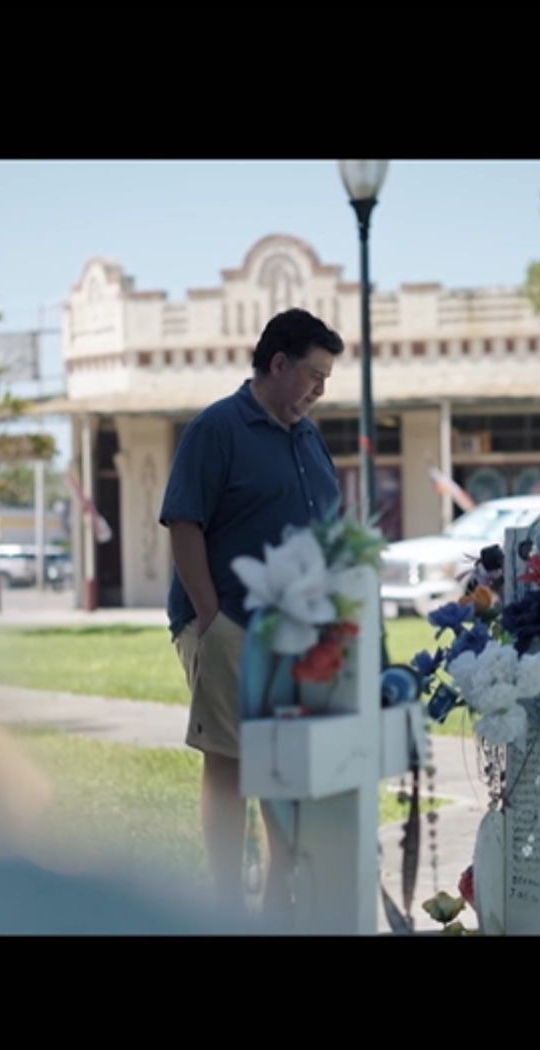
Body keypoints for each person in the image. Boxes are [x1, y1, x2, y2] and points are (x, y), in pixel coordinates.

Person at [160, 308, 343, 919]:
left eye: (327, 379)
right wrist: (211, 617)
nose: (320, 390)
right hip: (231, 620)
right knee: (233, 764)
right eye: (314, 375)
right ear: (278, 363)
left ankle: (275, 902)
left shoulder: (308, 436)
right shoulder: (218, 428)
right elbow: (184, 522)